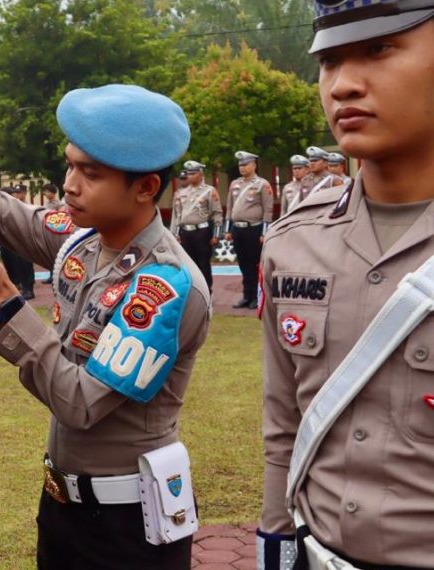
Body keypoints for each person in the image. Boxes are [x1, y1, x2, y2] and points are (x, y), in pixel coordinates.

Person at [0, 84, 211, 570]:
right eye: (70, 165)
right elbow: (17, 219)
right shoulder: (87, 241)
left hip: (127, 524)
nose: (69, 185)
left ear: (145, 188)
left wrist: (4, 301)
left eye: (90, 173)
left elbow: (81, 403)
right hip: (63, 506)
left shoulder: (165, 285)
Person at [258, 3, 434, 569]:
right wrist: (274, 536)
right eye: (329, 60)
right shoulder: (293, 242)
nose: (344, 85)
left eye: (379, 50)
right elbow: (284, 420)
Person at [224, 150, 273, 309]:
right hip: (238, 229)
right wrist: (228, 229)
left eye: (245, 165)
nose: (242, 168)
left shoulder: (262, 184)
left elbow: (268, 209)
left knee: (255, 264)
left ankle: (257, 296)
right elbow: (230, 208)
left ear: (253, 165)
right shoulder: (235, 184)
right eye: (240, 165)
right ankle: (247, 296)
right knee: (243, 264)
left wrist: (265, 232)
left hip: (254, 229)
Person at [171, 160, 223, 289]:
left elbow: (217, 213)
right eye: (188, 174)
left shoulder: (210, 191)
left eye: (193, 173)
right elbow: (178, 216)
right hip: (186, 233)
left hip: (202, 232)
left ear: (200, 174)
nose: (190, 176)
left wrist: (217, 235)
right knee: (188, 264)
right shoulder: (180, 193)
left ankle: (206, 291)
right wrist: (175, 234)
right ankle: (193, 290)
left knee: (203, 264)